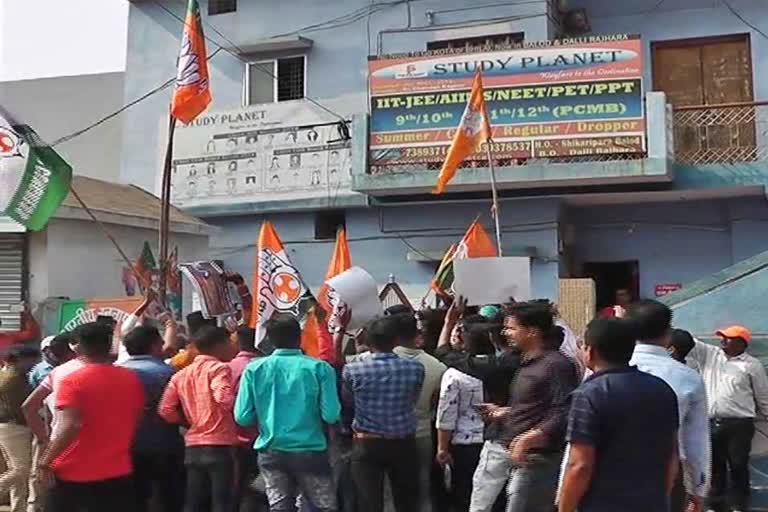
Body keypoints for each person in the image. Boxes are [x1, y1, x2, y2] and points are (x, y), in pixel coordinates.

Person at [558, 317, 680, 512]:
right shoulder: (662, 390)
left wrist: (565, 508)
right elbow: (672, 457)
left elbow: (580, 464)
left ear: (591, 351)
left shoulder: (589, 394)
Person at [470, 301, 577, 512]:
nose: (506, 333)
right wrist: (506, 412)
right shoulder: (524, 361)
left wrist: (531, 437)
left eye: (511, 328)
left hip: (535, 456)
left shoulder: (556, 365)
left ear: (532, 332)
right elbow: (537, 404)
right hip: (505, 443)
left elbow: (563, 410)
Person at [235, 315, 341, 512]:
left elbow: (242, 416)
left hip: (271, 450)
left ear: (270, 339)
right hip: (311, 449)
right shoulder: (320, 368)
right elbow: (331, 415)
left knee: (279, 506)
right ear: (299, 337)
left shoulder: (254, 369)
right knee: (322, 506)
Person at [39, 322, 144, 512]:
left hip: (74, 472)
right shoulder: (131, 378)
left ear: (77, 346)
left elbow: (70, 425)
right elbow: (137, 418)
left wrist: (45, 461)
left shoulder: (72, 381)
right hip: (117, 469)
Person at [627, 300, 710, 512]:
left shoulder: (604, 374)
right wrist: (698, 490)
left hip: (610, 476)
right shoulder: (688, 378)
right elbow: (696, 441)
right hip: (667, 476)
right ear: (668, 333)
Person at [342, 316, 424, 512]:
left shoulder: (353, 370)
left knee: (369, 504)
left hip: (367, 442)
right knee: (407, 502)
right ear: (396, 340)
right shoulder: (415, 368)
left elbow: (348, 402)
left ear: (367, 341)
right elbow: (413, 398)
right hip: (404, 442)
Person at [684, 325, 768, 512]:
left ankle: (739, 505)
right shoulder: (710, 356)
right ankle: (716, 505)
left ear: (741, 342)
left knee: (738, 465)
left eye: (728, 338)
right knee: (715, 466)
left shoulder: (751, 365)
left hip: (739, 425)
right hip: (712, 423)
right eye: (722, 337)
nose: (723, 341)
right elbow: (690, 341)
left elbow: (762, 395)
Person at [158, 326, 238, 512]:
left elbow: (165, 409)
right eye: (231, 343)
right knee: (222, 502)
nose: (234, 348)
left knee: (194, 502)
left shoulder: (181, 374)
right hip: (220, 445)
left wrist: (188, 423)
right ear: (220, 345)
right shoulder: (219, 368)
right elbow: (223, 398)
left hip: (193, 446)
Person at [118, 325, 184, 512]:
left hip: (126, 447)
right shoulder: (167, 373)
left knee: (135, 499)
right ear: (154, 345)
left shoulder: (116, 372)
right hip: (165, 444)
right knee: (169, 498)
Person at [435, 324, 495, 512]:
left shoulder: (455, 373)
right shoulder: (504, 366)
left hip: (464, 442)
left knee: (465, 492)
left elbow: (446, 413)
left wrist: (442, 447)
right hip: (496, 439)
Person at [391, 312, 446, 512]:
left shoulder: (380, 360)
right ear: (417, 335)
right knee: (422, 483)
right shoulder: (437, 366)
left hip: (390, 433)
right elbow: (437, 401)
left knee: (392, 485)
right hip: (422, 431)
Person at [26, 333, 75, 512]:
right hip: (53, 431)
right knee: (40, 472)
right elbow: (33, 404)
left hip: (53, 432)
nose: (51, 354)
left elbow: (31, 405)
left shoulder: (57, 373)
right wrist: (42, 435)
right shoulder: (42, 371)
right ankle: (34, 505)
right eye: (47, 351)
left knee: (48, 475)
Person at [228, 326, 265, 511]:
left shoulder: (227, 368)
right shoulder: (264, 367)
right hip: (264, 438)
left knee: (239, 488)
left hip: (235, 439)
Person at [0, 346, 39, 512]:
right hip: (14, 427)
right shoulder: (14, 378)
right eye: (32, 360)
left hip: (8, 426)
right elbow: (23, 407)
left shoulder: (7, 374)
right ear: (20, 359)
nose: (34, 364)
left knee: (17, 470)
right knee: (21, 469)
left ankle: (18, 508)